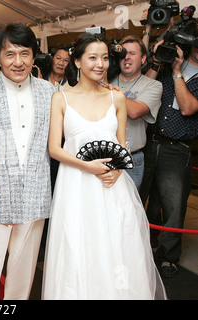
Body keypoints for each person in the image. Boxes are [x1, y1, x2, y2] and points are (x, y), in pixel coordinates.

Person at [41, 32, 166, 299]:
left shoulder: (116, 98)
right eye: (93, 58)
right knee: (78, 246)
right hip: (75, 185)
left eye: (106, 58)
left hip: (111, 185)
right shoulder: (60, 99)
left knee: (116, 246)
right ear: (77, 62)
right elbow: (54, 148)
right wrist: (86, 166)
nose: (101, 64)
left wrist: (118, 169)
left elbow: (121, 146)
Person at [0, 23, 55, 300]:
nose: (18, 62)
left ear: (34, 56)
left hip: (35, 195)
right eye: (10, 54)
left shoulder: (52, 94)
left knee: (23, 276)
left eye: (25, 53)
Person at [140, 28, 198, 278]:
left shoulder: (181, 72)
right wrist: (157, 60)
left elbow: (187, 108)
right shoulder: (164, 63)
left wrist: (177, 72)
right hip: (149, 142)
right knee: (145, 202)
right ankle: (144, 245)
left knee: (173, 207)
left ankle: (168, 256)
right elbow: (145, 87)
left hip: (177, 149)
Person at [109, 35, 162, 190]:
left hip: (132, 159)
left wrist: (106, 89)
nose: (127, 57)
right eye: (123, 53)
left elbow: (135, 111)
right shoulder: (108, 82)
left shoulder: (153, 85)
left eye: (132, 53)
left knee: (129, 211)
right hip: (105, 157)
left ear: (143, 58)